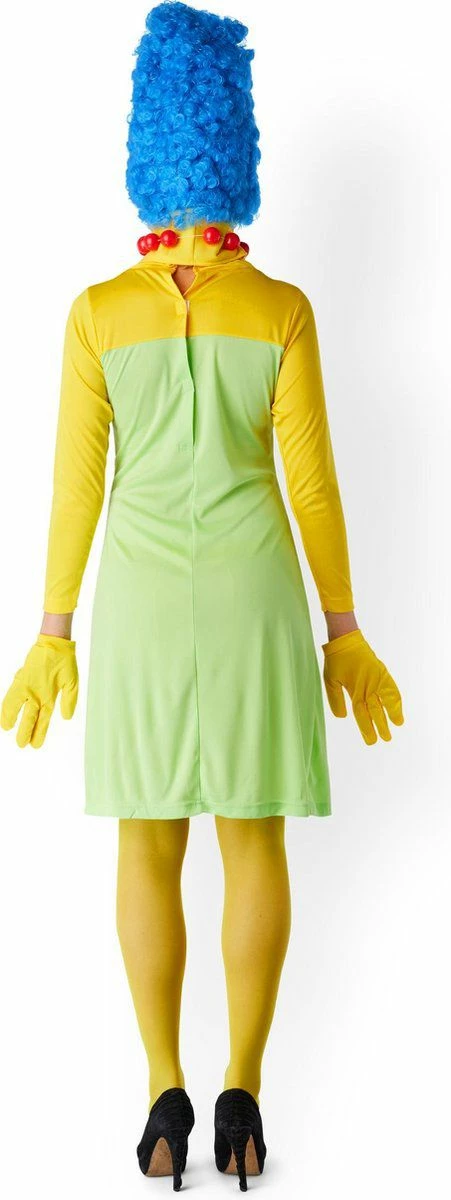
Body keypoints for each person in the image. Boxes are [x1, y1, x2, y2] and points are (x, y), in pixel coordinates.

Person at [0, 1, 404, 1192]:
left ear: (145, 153)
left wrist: (53, 630)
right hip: (252, 603)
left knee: (146, 840)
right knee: (252, 836)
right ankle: (244, 1094)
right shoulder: (279, 309)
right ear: (238, 150)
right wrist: (343, 629)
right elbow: (312, 488)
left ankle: (161, 1092)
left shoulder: (97, 314)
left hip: (134, 603)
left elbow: (76, 487)